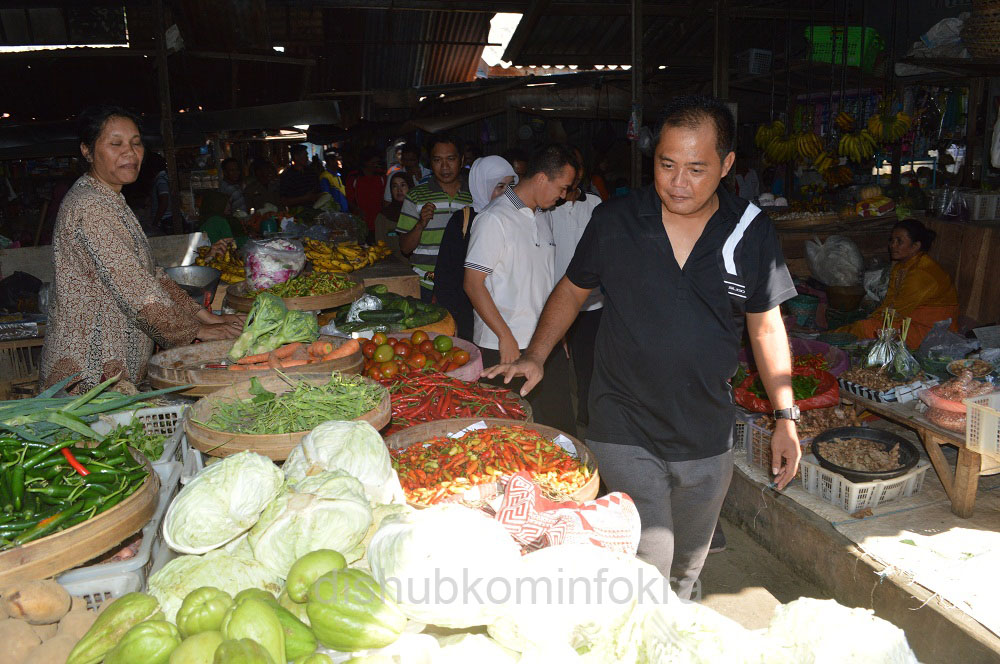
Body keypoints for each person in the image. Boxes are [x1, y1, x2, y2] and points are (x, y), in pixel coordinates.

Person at [484, 96, 801, 599]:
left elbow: (766, 327)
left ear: (727, 165)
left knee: (688, 566)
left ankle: (671, 619)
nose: (678, 182)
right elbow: (571, 289)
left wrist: (786, 417)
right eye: (666, 164)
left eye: (697, 169)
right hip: (622, 420)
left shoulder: (750, 232)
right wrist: (535, 355)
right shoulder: (617, 221)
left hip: (704, 429)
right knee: (651, 555)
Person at [40, 105, 244, 394]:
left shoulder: (110, 199)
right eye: (116, 144)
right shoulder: (90, 205)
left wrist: (206, 317)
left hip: (111, 370)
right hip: (89, 374)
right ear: (87, 150)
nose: (130, 152)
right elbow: (135, 289)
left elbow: (151, 276)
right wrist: (197, 331)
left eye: (136, 143)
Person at [466, 144, 578, 435]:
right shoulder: (493, 219)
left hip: (543, 343)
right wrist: (505, 336)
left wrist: (559, 334)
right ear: (542, 178)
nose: (563, 196)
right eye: (562, 188)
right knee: (510, 432)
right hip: (504, 346)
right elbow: (473, 283)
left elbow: (544, 282)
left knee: (558, 427)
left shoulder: (542, 216)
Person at [836, 219, 958, 349]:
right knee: (866, 326)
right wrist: (874, 317)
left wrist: (871, 321)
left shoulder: (921, 274)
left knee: (867, 328)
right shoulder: (902, 266)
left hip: (932, 333)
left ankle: (826, 338)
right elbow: (890, 301)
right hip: (910, 321)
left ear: (915, 246)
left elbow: (898, 311)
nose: (893, 245)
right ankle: (830, 337)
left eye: (899, 241)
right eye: (892, 240)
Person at [435, 156, 517, 341]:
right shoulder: (462, 221)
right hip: (467, 313)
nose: (507, 194)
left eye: (511, 186)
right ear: (482, 185)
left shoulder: (514, 219)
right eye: (500, 186)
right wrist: (451, 318)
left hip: (506, 314)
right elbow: (446, 276)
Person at [551, 148, 604, 430]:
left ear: (580, 172)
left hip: (591, 304)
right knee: (555, 366)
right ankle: (559, 423)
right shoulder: (547, 206)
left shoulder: (595, 204)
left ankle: (586, 419)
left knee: (589, 366)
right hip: (554, 302)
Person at [396, 135, 473, 301]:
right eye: (437, 160)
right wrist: (420, 224)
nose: (445, 166)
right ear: (430, 163)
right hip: (425, 285)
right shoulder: (416, 196)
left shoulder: (475, 195)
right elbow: (405, 248)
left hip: (464, 285)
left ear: (461, 160)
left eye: (451, 159)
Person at [346, 148, 388, 235]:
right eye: (373, 162)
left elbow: (385, 199)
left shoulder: (382, 176)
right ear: (365, 162)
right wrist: (357, 210)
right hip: (360, 222)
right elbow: (349, 199)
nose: (376, 165)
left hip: (379, 221)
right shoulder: (354, 177)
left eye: (377, 162)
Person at [374, 171, 414, 247]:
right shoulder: (383, 217)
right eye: (395, 186)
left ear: (410, 187)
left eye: (403, 185)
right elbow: (381, 247)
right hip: (391, 258)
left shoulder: (420, 213)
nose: (399, 190)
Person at [146, 152, 172, 231]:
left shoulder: (161, 180)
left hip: (165, 220)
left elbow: (164, 201)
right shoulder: (163, 178)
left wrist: (155, 222)